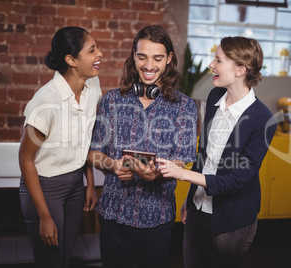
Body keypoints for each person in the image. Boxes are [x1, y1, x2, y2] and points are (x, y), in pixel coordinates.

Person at [157, 36, 277, 268]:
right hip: (198, 207)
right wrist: (191, 197)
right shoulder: (214, 97)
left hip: (233, 216)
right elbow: (206, 155)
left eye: (218, 60)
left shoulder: (264, 120)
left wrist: (183, 175)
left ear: (240, 69)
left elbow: (237, 180)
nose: (211, 65)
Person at [88, 25, 197, 268]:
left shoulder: (184, 107)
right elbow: (93, 153)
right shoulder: (111, 100)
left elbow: (182, 159)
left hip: (157, 220)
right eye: (142, 57)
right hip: (113, 216)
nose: (149, 66)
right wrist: (112, 165)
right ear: (133, 56)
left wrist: (156, 174)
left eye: (157, 58)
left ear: (169, 59)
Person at [19, 26, 103, 268]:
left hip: (75, 185)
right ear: (71, 60)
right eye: (92, 50)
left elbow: (85, 139)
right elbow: (25, 159)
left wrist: (89, 182)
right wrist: (44, 217)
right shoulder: (45, 101)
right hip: (45, 187)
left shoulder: (93, 86)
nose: (100, 54)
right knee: (51, 261)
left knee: (64, 258)